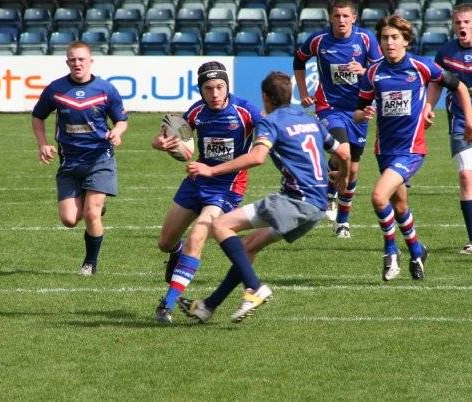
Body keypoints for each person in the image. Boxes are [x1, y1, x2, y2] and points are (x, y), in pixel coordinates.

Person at [178, 71, 349, 323]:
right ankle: (208, 306)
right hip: (317, 207)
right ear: (290, 95)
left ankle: (254, 287)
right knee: (247, 247)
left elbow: (256, 157)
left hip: (294, 201)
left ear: (266, 98)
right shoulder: (310, 120)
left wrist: (210, 169)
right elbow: (344, 153)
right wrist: (342, 178)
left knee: (221, 225)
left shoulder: (271, 121)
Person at [354, 15, 472, 281]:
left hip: (411, 150)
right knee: (400, 207)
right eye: (385, 38)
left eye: (395, 38)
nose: (389, 43)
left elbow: (460, 87)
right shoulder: (373, 73)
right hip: (384, 150)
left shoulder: (421, 67)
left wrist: (468, 121)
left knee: (378, 197)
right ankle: (417, 249)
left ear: (406, 41)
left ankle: (390, 251)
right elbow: (358, 110)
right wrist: (361, 115)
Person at [151, 61, 262, 323]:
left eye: (219, 87)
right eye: (208, 88)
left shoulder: (245, 111)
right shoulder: (196, 112)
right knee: (165, 243)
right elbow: (175, 135)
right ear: (201, 90)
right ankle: (177, 254)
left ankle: (166, 305)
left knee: (198, 235)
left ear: (227, 87)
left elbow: (269, 131)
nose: (215, 93)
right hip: (195, 181)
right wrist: (161, 142)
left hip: (227, 187)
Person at [31, 41, 128, 276]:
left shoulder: (106, 89)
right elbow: (37, 117)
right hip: (70, 162)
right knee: (69, 219)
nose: (77, 63)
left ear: (90, 61)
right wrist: (43, 144)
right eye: (73, 59)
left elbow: (121, 120)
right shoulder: (56, 89)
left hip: (99, 159)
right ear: (67, 62)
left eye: (81, 59)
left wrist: (117, 132)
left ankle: (90, 263)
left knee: (91, 213)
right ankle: (93, 204)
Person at [294, 0, 383, 238]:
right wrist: (303, 93)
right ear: (330, 18)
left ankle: (342, 220)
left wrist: (364, 71)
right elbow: (299, 60)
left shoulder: (366, 40)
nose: (341, 20)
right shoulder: (319, 40)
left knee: (352, 170)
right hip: (329, 107)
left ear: (354, 18)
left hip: (358, 110)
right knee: (342, 151)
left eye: (345, 16)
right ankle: (329, 188)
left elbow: (380, 70)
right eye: (337, 16)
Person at [427, 4, 472, 255]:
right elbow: (436, 82)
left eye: (466, 22)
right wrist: (428, 106)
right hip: (460, 122)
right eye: (457, 23)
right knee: (467, 177)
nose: (462, 27)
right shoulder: (446, 53)